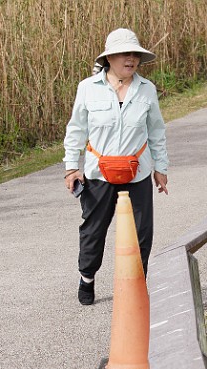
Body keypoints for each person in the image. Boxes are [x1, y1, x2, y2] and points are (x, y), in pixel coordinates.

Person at [63, 28, 169, 305]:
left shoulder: (146, 89)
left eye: (135, 54)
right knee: (93, 230)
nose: (131, 59)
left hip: (138, 172)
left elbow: (156, 130)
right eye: (125, 54)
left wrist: (161, 167)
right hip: (98, 173)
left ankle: (136, 284)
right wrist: (71, 167)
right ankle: (87, 277)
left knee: (142, 232)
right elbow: (76, 129)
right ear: (109, 58)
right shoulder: (88, 88)